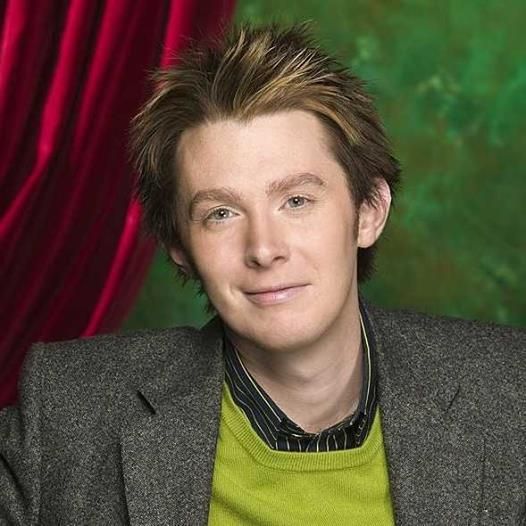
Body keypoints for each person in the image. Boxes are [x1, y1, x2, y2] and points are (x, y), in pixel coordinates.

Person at [1, 23, 524, 526]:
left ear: (368, 212)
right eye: (221, 214)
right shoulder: (70, 408)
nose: (264, 249)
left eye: (296, 201)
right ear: (179, 248)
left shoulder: (509, 392)